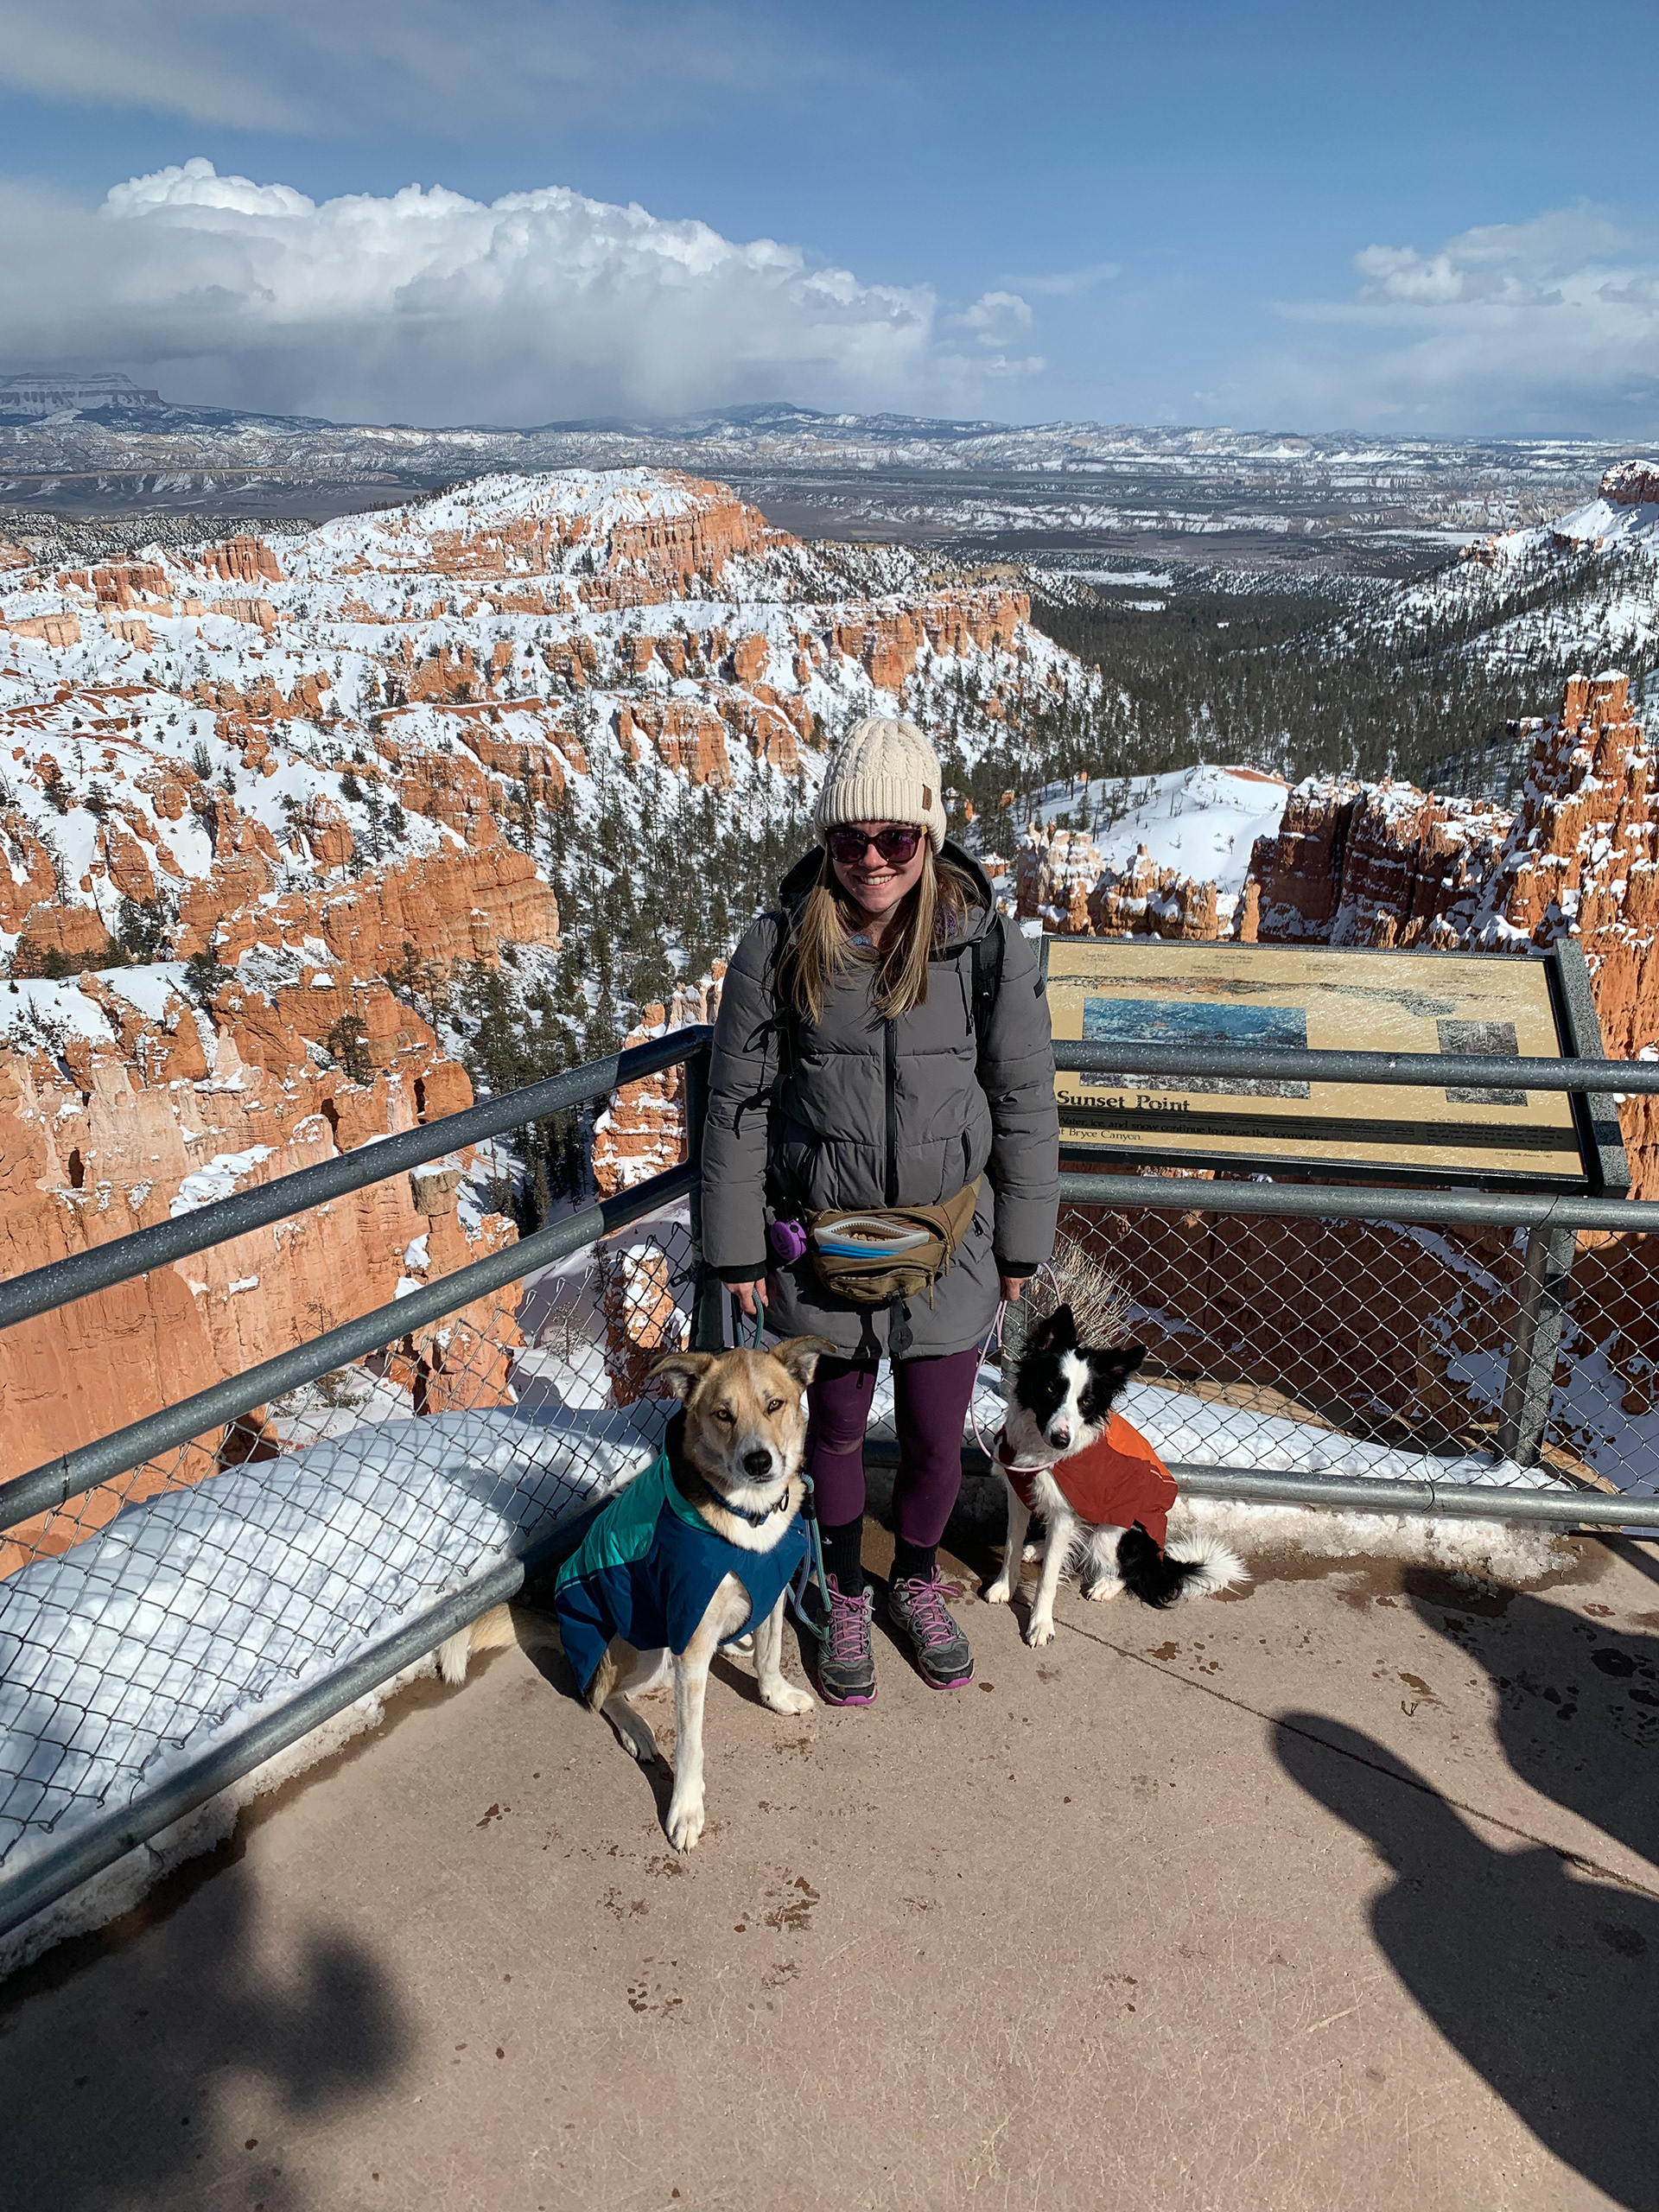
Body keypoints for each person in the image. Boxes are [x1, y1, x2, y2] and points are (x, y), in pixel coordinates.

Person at [701, 715, 1059, 1704]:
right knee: (835, 1436)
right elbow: (736, 1106)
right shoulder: (779, 946)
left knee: (940, 1439)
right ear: (826, 841)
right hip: (822, 1246)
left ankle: (915, 1579)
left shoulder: (984, 948)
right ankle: (844, 1591)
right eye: (849, 839)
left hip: (954, 1243)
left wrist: (1022, 1242)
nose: (872, 860)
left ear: (929, 838)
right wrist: (737, 1250)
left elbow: (1024, 1099)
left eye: (896, 837)